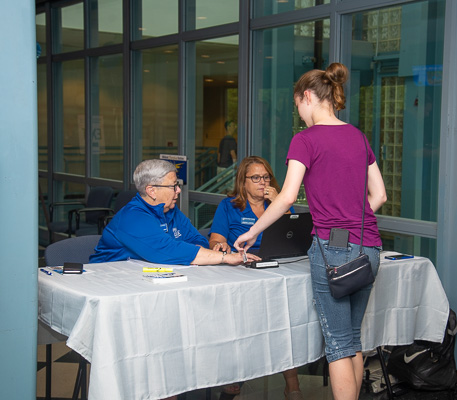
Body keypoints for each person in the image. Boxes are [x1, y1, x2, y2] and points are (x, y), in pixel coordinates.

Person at [234, 63, 387, 400]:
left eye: (297, 106)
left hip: (332, 250)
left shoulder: (305, 140)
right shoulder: (359, 137)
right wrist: (352, 220)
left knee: (337, 344)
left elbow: (286, 196)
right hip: (371, 248)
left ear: (307, 97)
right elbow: (380, 196)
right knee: (353, 340)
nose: (300, 115)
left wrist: (252, 232)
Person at [208, 156, 303, 400]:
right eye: (256, 178)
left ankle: (292, 384)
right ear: (243, 181)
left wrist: (278, 204)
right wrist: (229, 250)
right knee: (236, 323)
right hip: (239, 268)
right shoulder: (229, 206)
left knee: (284, 321)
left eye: (266, 177)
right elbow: (216, 240)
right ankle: (233, 376)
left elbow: (290, 236)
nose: (262, 182)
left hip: (274, 266)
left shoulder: (279, 204)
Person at [90, 159, 259, 266]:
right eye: (173, 186)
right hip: (110, 280)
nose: (178, 190)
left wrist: (209, 251)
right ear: (151, 191)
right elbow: (167, 250)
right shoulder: (132, 217)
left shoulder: (170, 210)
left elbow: (197, 239)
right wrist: (224, 258)